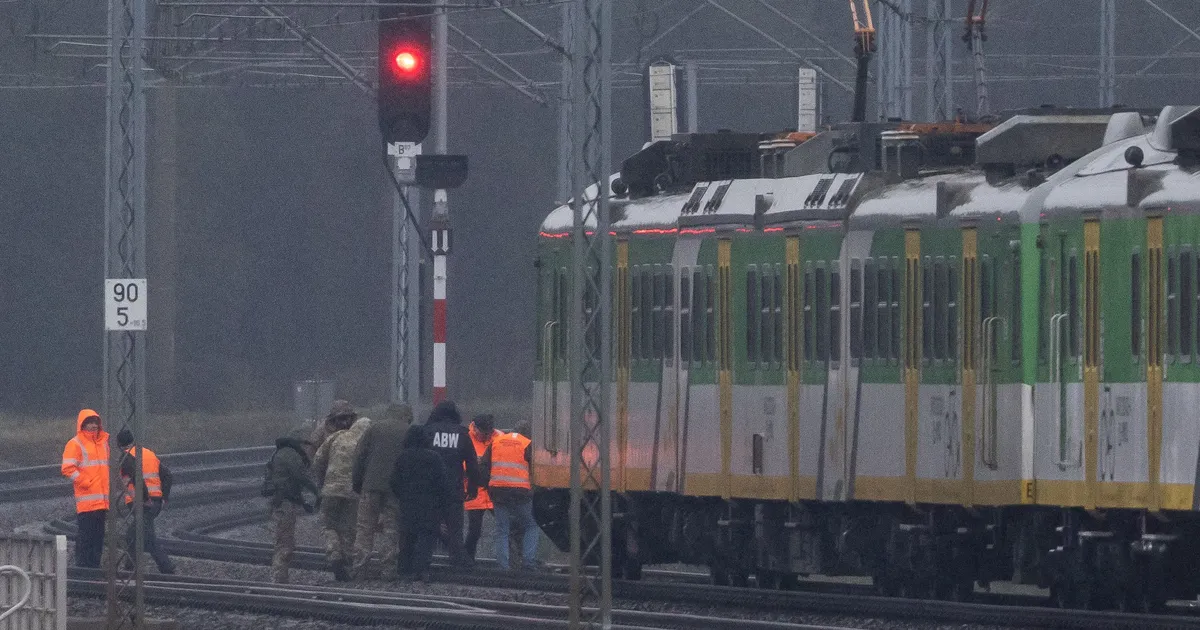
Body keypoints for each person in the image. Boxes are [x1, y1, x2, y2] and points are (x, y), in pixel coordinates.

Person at [351, 403, 410, 580]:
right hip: (395, 489)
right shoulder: (408, 431)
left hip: (370, 486)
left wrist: (358, 483)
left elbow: (359, 456)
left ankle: (359, 569)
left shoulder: (374, 428)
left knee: (364, 529)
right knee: (391, 530)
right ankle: (388, 570)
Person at [423, 400, 482, 568]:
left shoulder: (427, 431)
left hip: (430, 489)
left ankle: (424, 561)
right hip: (453, 488)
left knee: (428, 526)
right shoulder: (462, 434)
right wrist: (472, 487)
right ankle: (458, 560)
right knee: (455, 528)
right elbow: (472, 464)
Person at [312, 412, 371, 581]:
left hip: (331, 490)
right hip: (353, 493)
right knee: (348, 529)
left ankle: (334, 553)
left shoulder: (337, 436)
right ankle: (346, 564)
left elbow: (318, 460)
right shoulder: (364, 444)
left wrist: (323, 480)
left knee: (328, 524)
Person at [390, 426, 453, 580]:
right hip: (429, 504)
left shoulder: (402, 457)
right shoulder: (434, 458)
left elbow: (393, 481)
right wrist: (442, 504)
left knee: (407, 537)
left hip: (408, 503)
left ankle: (405, 570)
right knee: (426, 537)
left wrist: (402, 495)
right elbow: (443, 483)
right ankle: (422, 570)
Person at [116, 429, 176, 574]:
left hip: (142, 503)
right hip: (155, 501)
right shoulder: (148, 453)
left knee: (136, 535)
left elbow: (137, 479)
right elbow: (168, 476)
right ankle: (133, 568)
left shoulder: (126, 458)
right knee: (141, 534)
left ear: (118, 444)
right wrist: (164, 498)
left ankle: (164, 567)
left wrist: (145, 499)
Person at [264, 426, 319, 584]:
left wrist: (303, 502)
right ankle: (278, 578)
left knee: (283, 540)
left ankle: (280, 577)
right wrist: (316, 491)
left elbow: (291, 482)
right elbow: (300, 477)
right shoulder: (291, 454)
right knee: (285, 542)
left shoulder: (282, 453)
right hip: (284, 503)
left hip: (282, 501)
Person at [480, 424, 538, 571]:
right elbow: (536, 469)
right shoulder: (527, 444)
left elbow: (484, 467)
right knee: (531, 525)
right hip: (520, 492)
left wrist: (489, 487)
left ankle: (503, 566)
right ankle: (528, 563)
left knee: (502, 529)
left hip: (498, 491)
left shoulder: (496, 442)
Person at [61, 409, 109, 568]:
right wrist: (87, 482)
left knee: (98, 538)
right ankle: (83, 568)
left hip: (102, 501)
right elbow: (67, 468)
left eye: (95, 423)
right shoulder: (75, 443)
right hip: (87, 502)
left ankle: (93, 568)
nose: (93, 426)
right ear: (82, 425)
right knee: (86, 537)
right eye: (90, 424)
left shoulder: (103, 443)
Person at [464, 414, 501, 562]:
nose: (485, 436)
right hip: (475, 492)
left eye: (488, 433)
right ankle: (467, 559)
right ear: (476, 428)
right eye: (483, 433)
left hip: (494, 491)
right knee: (474, 531)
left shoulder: (499, 437)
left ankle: (511, 561)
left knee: (507, 528)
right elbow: (461, 464)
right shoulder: (466, 438)